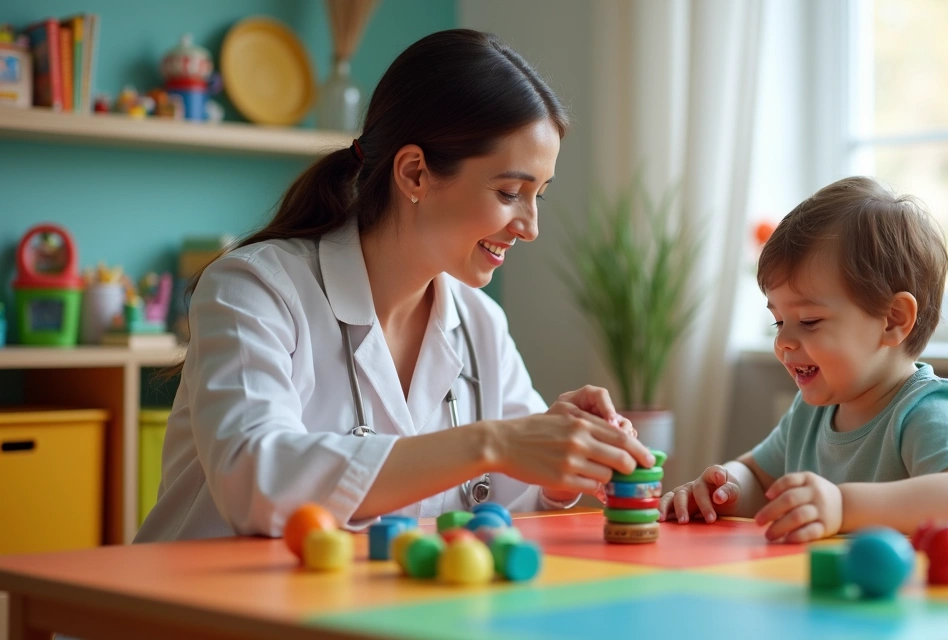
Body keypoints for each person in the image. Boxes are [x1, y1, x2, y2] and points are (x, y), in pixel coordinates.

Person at [136, 29, 653, 543]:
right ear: (414, 174)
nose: (530, 226)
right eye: (510, 192)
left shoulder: (478, 322)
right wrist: (493, 443)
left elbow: (511, 499)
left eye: (539, 195)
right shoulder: (253, 288)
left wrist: (565, 450)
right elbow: (255, 483)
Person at [659, 177, 948, 543]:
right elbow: (759, 477)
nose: (784, 341)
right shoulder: (810, 414)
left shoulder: (926, 409)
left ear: (893, 320)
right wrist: (724, 489)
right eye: (778, 321)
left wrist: (842, 505)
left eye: (809, 321)